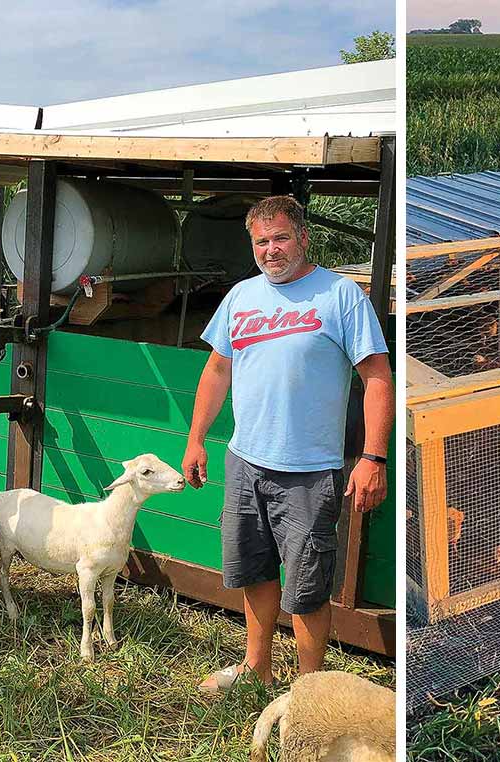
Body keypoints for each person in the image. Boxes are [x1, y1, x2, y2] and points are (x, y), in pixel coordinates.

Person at [182, 195, 393, 693]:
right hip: (245, 460)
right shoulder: (241, 297)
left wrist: (373, 456)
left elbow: (378, 378)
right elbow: (216, 371)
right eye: (261, 242)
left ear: (303, 237)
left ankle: (309, 692)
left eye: (279, 238)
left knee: (307, 588)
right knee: (253, 569)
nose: (270, 250)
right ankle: (256, 667)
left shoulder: (341, 296)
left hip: (310, 469)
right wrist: (196, 440)